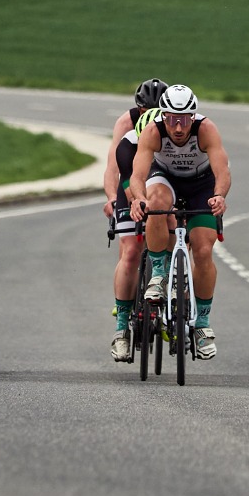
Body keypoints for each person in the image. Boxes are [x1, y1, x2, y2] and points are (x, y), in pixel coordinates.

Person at [129, 84, 231, 360]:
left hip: (202, 185)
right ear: (163, 115)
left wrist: (219, 196)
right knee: (156, 202)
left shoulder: (206, 129)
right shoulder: (153, 132)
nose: (178, 127)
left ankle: (202, 325)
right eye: (172, 118)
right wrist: (139, 199)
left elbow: (222, 170)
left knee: (202, 250)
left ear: (193, 116)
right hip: (165, 178)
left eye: (184, 118)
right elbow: (138, 175)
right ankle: (160, 274)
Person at [103, 78, 167, 361]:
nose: (151, 117)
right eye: (144, 112)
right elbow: (114, 170)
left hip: (162, 179)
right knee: (130, 250)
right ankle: (122, 327)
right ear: (138, 110)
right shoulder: (126, 126)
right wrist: (112, 199)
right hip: (131, 176)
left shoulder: (173, 127)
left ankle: (176, 301)